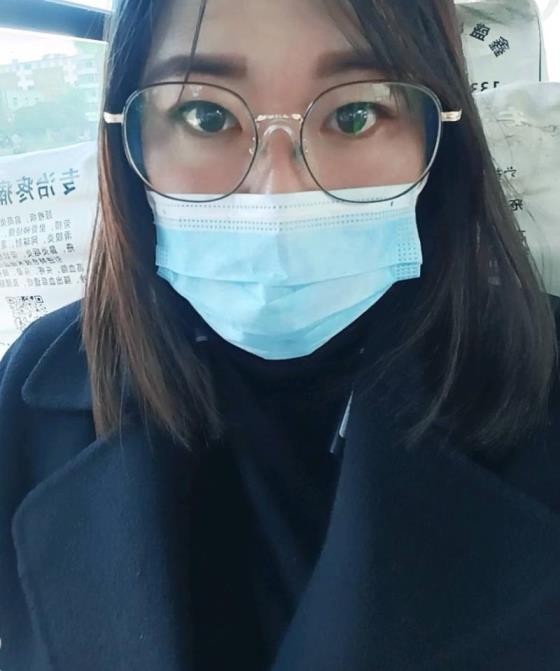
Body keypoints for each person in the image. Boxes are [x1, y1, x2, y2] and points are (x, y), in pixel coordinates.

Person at [1, 0, 559, 669]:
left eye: (355, 114)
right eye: (206, 115)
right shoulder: (31, 388)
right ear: (128, 135)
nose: (276, 192)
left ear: (439, 133)